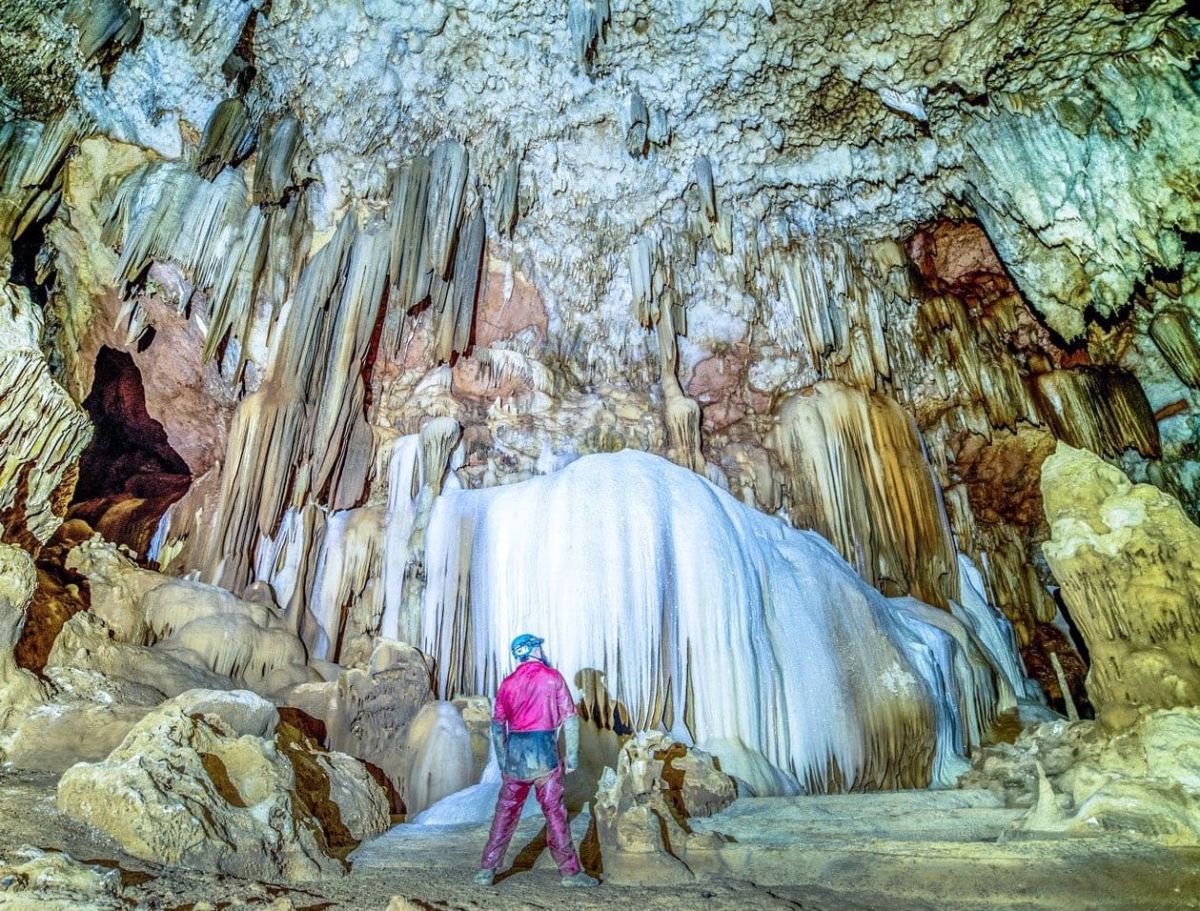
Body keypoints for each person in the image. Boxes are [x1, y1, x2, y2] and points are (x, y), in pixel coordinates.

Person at [473, 633, 599, 887]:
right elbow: (570, 719)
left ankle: (487, 869)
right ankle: (570, 872)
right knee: (555, 814)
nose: (542, 650)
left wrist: (503, 759)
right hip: (545, 754)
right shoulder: (552, 678)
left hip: (516, 756)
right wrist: (571, 756)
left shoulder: (508, 683)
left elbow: (498, 726)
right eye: (538, 646)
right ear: (530, 650)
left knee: (505, 813)